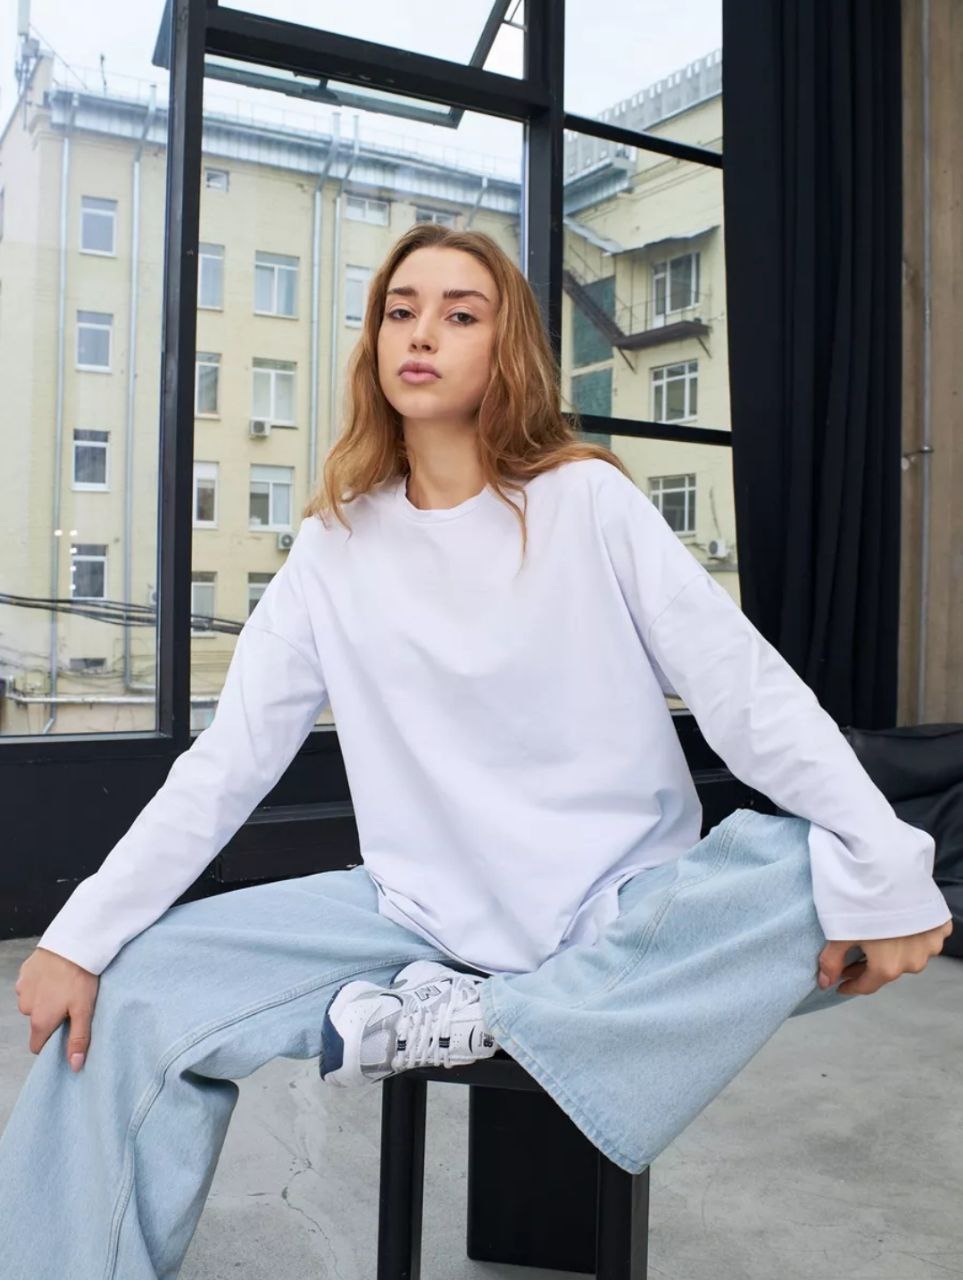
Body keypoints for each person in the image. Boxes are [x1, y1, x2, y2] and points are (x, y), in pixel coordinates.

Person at [2, 223, 952, 1279]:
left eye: (460, 314)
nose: (422, 334)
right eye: (400, 311)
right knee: (133, 986)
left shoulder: (586, 499)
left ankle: (495, 1014)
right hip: (415, 915)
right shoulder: (333, 544)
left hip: (621, 908)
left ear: (508, 351)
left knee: (809, 870)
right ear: (374, 344)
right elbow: (227, 764)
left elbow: (746, 693)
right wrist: (78, 936)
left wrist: (884, 861)